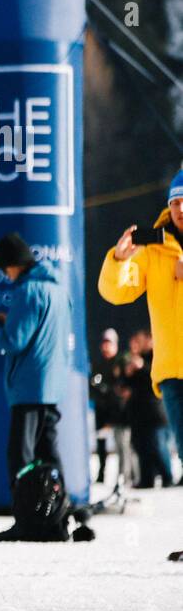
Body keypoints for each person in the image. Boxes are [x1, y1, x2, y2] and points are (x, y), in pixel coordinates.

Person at [0, 232, 75, 541]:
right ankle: (59, 519)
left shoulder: (27, 292)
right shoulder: (60, 291)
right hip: (52, 384)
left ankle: (25, 521)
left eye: (4, 268)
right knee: (49, 455)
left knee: (20, 457)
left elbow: (15, 340)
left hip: (28, 386)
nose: (5, 275)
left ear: (13, 264)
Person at [98, 169, 183, 465]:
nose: (180, 209)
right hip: (173, 372)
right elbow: (117, 292)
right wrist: (119, 260)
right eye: (175, 202)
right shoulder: (155, 250)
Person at [124, 330, 175, 488]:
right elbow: (129, 385)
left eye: (140, 340)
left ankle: (167, 477)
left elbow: (156, 377)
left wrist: (142, 367)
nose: (137, 344)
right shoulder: (135, 359)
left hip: (154, 412)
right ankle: (147, 479)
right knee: (141, 447)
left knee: (157, 446)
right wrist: (129, 373)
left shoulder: (156, 356)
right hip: (139, 413)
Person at [89, 328, 131, 487]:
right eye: (104, 343)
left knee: (123, 445)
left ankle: (125, 476)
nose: (106, 347)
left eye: (110, 343)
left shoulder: (121, 361)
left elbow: (122, 386)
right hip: (102, 409)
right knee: (101, 442)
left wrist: (110, 390)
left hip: (118, 411)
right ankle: (101, 473)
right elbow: (93, 385)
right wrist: (102, 389)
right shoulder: (98, 364)